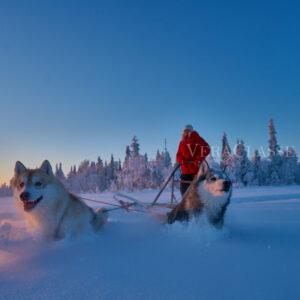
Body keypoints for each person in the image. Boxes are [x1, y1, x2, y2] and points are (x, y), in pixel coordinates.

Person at [176, 125, 211, 196]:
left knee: (197, 190)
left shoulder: (197, 138)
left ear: (191, 131)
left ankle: (198, 204)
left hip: (196, 170)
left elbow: (207, 149)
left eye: (188, 130)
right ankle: (185, 203)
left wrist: (198, 159)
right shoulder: (182, 142)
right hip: (185, 170)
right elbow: (178, 155)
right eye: (185, 131)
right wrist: (182, 161)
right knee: (184, 190)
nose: (186, 132)